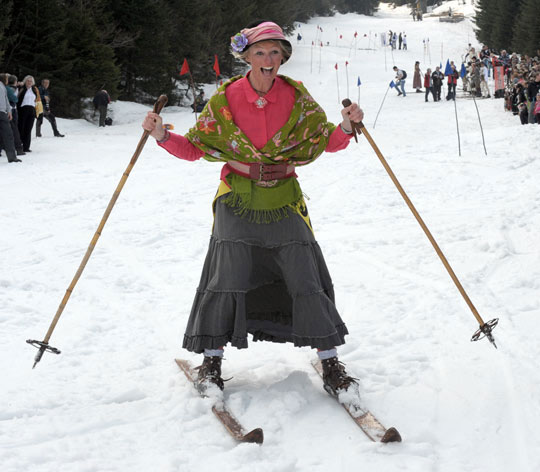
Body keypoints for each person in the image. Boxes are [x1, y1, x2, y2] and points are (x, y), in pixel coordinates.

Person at [142, 20, 364, 396]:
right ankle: (211, 363)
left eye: (275, 52)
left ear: (283, 58)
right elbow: (196, 148)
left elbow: (325, 140)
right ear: (246, 57)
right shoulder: (225, 99)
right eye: (260, 52)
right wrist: (162, 135)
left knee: (305, 277)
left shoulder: (297, 98)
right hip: (237, 198)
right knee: (226, 279)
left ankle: (330, 364)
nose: (268, 59)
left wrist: (345, 126)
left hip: (284, 198)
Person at [17, 75, 41, 153]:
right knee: (21, 128)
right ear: (25, 81)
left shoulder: (34, 89)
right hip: (23, 109)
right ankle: (19, 146)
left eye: (31, 81)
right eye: (28, 81)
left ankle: (26, 147)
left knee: (28, 129)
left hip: (31, 110)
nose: (29, 82)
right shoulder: (21, 88)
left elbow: (37, 100)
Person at [0, 73, 20, 163]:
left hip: (3, 112)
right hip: (2, 112)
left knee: (7, 134)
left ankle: (12, 157)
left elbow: (6, 100)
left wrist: (9, 111)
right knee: (8, 134)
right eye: (7, 79)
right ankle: (12, 157)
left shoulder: (3, 87)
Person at [6, 75, 24, 155]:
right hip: (11, 109)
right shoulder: (12, 89)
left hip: (6, 109)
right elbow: (15, 99)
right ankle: (18, 148)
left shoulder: (6, 87)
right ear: (15, 81)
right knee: (14, 129)